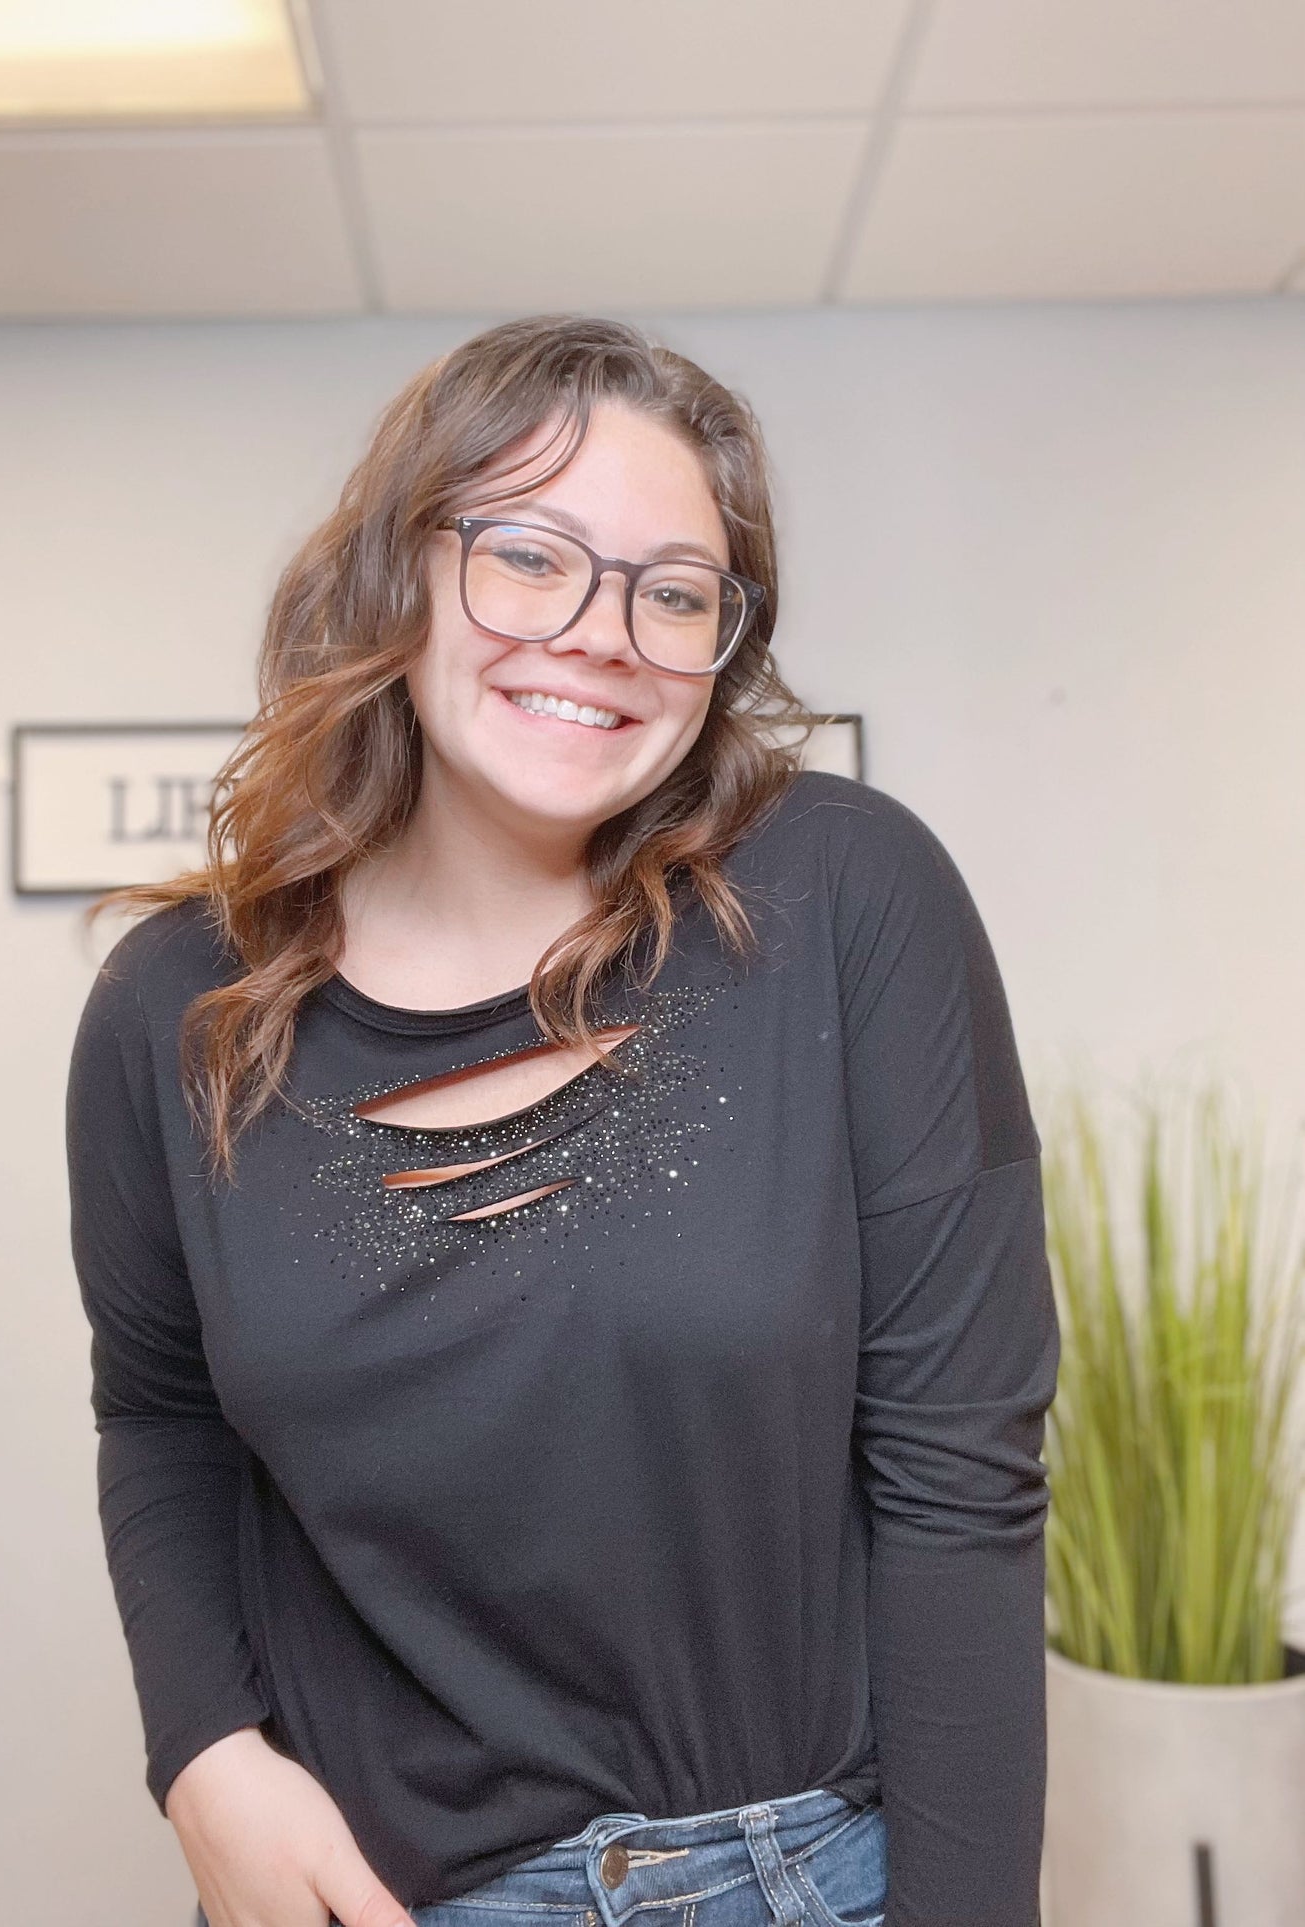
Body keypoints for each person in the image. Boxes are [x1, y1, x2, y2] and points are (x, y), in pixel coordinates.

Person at [66, 315, 1059, 1927]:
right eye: (528, 556)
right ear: (397, 578)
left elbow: (959, 1481)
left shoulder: (842, 899)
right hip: (379, 1892)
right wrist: (203, 1754)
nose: (601, 631)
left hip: (801, 1876)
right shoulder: (179, 1010)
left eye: (672, 591)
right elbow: (161, 1421)